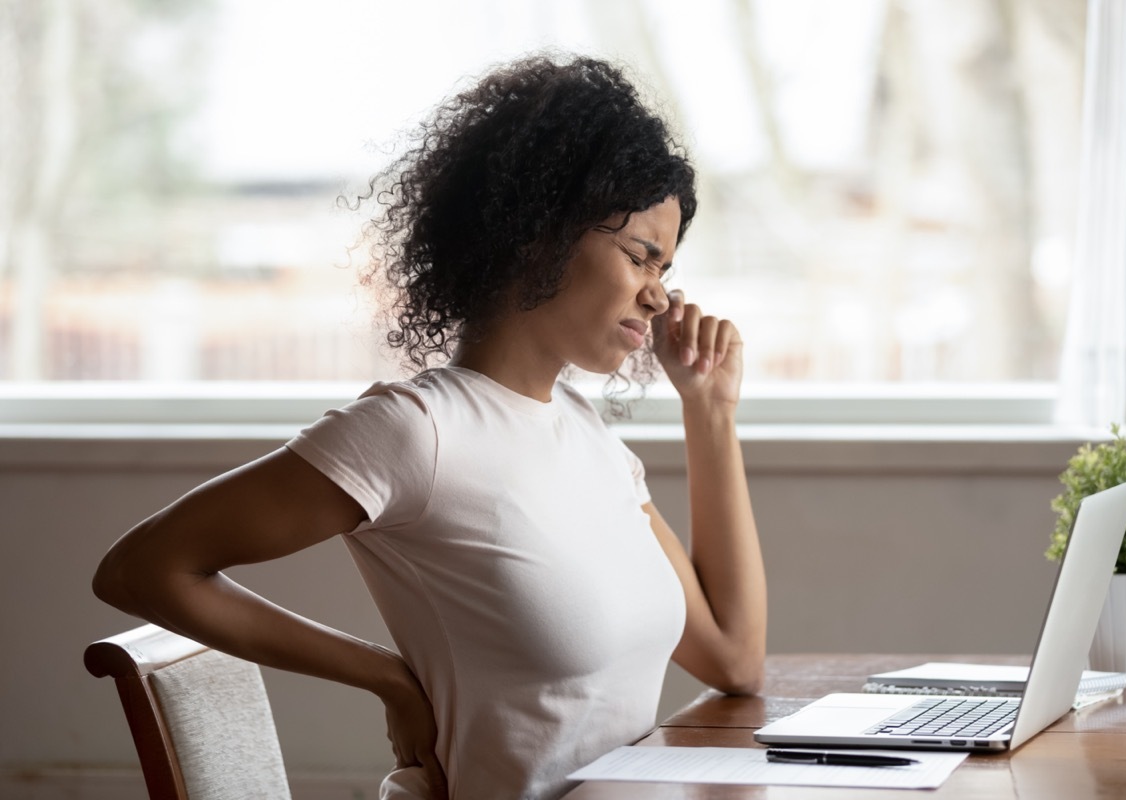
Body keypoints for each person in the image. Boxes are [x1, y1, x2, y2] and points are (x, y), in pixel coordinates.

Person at [92, 54, 766, 800]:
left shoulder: (587, 436)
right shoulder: (418, 431)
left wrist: (709, 410)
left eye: (668, 270)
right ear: (540, 231)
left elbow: (734, 661)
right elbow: (142, 570)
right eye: (642, 257)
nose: (659, 299)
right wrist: (384, 675)